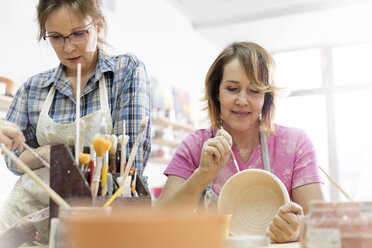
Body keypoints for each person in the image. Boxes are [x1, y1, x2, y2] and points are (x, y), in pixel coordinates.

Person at [0, 0, 151, 243]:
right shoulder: (33, 88)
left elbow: (131, 159)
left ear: (98, 25)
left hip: (103, 214)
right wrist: (50, 153)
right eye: (56, 37)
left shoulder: (126, 71)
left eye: (78, 34)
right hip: (31, 216)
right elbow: (12, 158)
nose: (68, 47)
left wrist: (61, 156)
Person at [155, 42, 324, 243]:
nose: (242, 100)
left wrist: (297, 231)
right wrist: (201, 175)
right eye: (232, 88)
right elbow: (158, 225)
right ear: (217, 92)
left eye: (254, 91)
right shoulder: (196, 145)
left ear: (266, 97)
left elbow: (322, 225)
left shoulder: (295, 144)